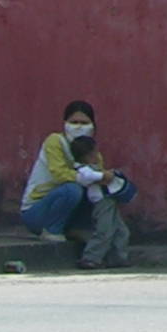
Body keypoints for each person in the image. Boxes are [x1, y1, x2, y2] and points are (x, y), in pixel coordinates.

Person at [21, 101, 137, 268]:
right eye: (74, 122)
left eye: (84, 123)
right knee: (72, 189)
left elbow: (98, 179)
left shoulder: (91, 151)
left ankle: (112, 253)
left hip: (70, 213)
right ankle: (53, 230)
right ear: (65, 123)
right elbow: (60, 174)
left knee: (103, 202)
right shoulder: (55, 142)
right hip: (38, 211)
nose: (78, 127)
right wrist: (94, 176)